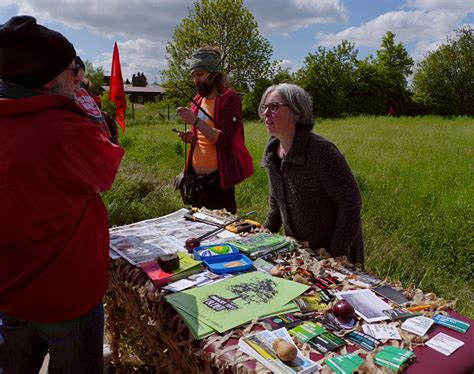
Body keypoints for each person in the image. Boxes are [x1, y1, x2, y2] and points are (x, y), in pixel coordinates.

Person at [0, 15, 124, 373]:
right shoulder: (66, 129)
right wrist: (85, 109)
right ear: (50, 78)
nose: (78, 77)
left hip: (10, 290)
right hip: (67, 294)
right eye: (73, 69)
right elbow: (106, 174)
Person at [259, 83, 364, 266]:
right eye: (264, 107)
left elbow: (351, 203)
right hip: (301, 255)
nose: (266, 113)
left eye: (274, 106)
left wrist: (337, 253)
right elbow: (276, 207)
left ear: (297, 112)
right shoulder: (273, 153)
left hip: (335, 257)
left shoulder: (321, 152)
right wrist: (258, 239)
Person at [176, 46, 253, 214]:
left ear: (214, 74)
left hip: (218, 182)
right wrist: (191, 138)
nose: (196, 80)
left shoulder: (228, 99)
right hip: (196, 182)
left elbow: (224, 140)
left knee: (221, 234)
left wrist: (195, 121)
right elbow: (203, 136)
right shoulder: (197, 101)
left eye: (200, 74)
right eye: (194, 75)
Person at [74, 56, 119, 144]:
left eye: (79, 82)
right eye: (75, 82)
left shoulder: (84, 93)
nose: (77, 87)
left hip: (97, 139)